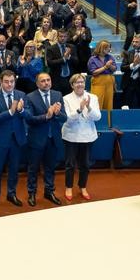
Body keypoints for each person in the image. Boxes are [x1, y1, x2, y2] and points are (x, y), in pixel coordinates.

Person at [25, 72, 67, 207]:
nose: (46, 83)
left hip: (53, 138)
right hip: (36, 139)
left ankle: (49, 191)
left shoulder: (57, 95)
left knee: (50, 167)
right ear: (37, 83)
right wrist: (46, 116)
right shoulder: (30, 97)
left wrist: (57, 113)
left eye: (48, 80)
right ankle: (31, 193)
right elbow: (29, 119)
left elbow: (64, 118)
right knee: (33, 168)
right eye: (43, 81)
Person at [0, 70, 28, 207]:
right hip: (0, 139)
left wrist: (22, 111)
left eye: (12, 81)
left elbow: (28, 115)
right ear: (1, 82)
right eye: (6, 81)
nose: (9, 84)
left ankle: (12, 194)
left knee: (14, 169)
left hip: (17, 139)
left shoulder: (21, 95)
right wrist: (10, 112)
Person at [62, 74, 101, 202]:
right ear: (72, 85)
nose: (80, 84)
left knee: (85, 164)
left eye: (82, 82)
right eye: (76, 82)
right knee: (70, 164)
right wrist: (79, 109)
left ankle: (83, 187)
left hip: (88, 136)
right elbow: (67, 120)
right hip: (71, 136)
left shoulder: (93, 97)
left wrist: (89, 107)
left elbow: (97, 117)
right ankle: (68, 187)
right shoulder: (66, 99)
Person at [45, 29, 79, 95]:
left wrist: (69, 57)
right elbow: (49, 63)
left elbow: (76, 61)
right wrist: (63, 59)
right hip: (57, 79)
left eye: (65, 36)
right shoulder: (51, 48)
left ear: (67, 37)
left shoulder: (72, 47)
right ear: (57, 37)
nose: (63, 38)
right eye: (61, 36)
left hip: (70, 79)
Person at [87, 40, 116, 111]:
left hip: (109, 83)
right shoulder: (93, 59)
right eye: (107, 47)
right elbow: (93, 72)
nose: (109, 49)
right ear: (101, 48)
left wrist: (110, 66)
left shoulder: (110, 57)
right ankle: (98, 121)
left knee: (109, 105)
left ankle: (108, 121)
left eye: (109, 47)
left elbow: (114, 69)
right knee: (97, 104)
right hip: (98, 83)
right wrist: (105, 67)